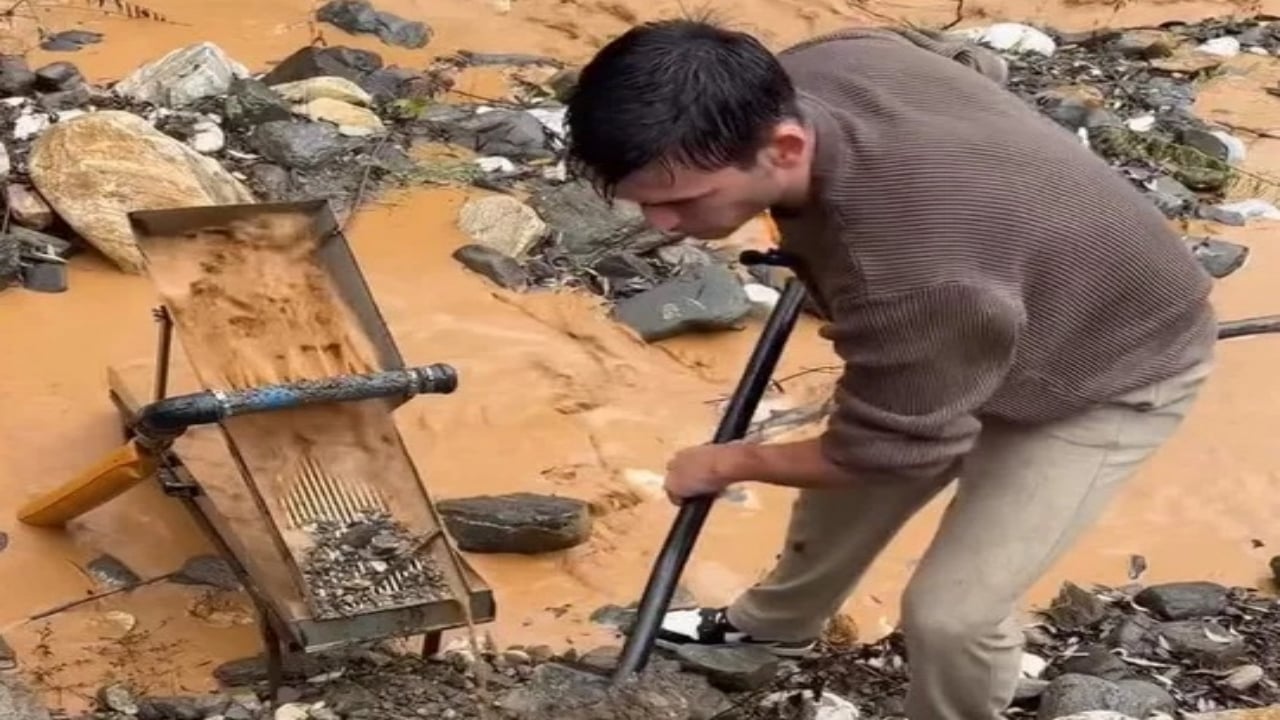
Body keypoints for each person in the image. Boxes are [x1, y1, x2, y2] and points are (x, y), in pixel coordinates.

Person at [562, 18, 1217, 720]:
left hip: (1108, 370)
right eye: (644, 203)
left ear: (784, 146)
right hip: (990, 310)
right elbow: (967, 61)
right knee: (841, 491)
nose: (660, 225)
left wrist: (725, 465)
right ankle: (772, 627)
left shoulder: (912, 276)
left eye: (682, 201)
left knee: (952, 615)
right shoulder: (830, 61)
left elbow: (879, 450)